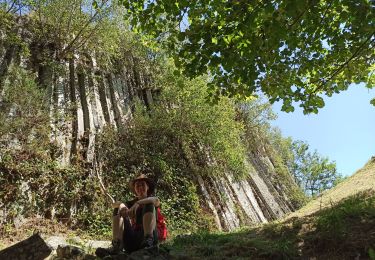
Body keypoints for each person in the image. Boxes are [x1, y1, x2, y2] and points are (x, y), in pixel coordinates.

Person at [96, 174, 160, 257]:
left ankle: (148, 242)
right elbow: (114, 205)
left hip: (147, 240)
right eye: (138, 185)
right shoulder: (130, 203)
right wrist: (122, 205)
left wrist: (138, 203)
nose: (140, 187)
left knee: (149, 204)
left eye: (142, 185)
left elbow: (156, 200)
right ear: (135, 189)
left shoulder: (152, 200)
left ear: (147, 187)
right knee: (118, 209)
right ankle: (116, 246)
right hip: (132, 241)